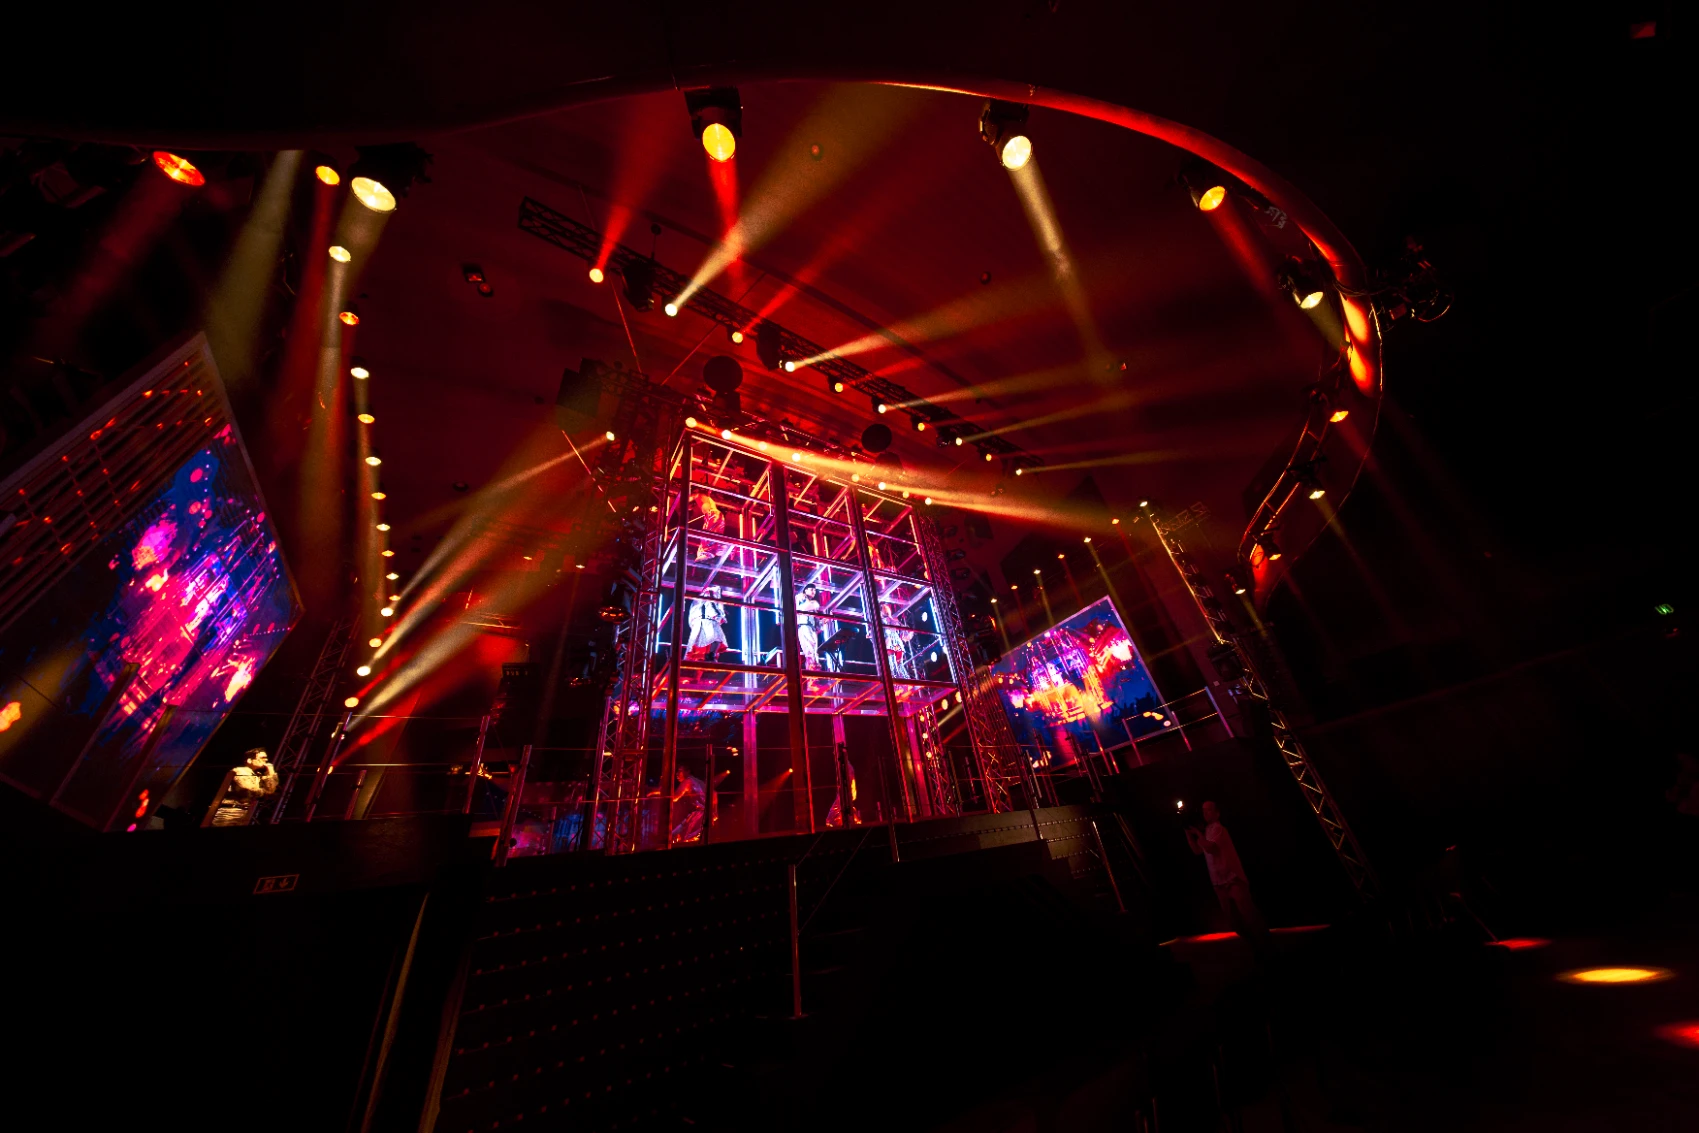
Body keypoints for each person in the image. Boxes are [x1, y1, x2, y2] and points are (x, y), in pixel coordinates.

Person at [1185, 800, 1265, 938]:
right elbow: (1197, 850)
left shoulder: (1219, 828)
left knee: (1249, 915)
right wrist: (1188, 833)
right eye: (1203, 810)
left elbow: (1210, 848)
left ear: (1217, 813)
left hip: (1232, 879)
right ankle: (1254, 944)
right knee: (1234, 921)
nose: (1205, 813)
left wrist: (1198, 834)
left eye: (1209, 810)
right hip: (1218, 882)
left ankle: (1265, 942)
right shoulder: (1207, 831)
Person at [209, 747, 278, 826]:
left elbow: (271, 790)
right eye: (262, 758)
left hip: (245, 813)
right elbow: (249, 790)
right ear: (249, 760)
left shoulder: (258, 775)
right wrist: (265, 792)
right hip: (230, 812)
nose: (266, 760)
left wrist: (271, 772)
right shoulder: (240, 771)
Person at [685, 585, 727, 661]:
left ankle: (709, 656)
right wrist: (720, 616)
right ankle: (710, 656)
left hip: (702, 622)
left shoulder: (701, 597)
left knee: (706, 642)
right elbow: (713, 606)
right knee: (716, 639)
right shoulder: (710, 594)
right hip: (707, 621)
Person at [671, 764, 706, 843]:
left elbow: (675, 798)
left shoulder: (688, 781)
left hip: (699, 815)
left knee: (683, 838)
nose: (677, 774)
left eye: (680, 771)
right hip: (700, 814)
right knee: (676, 834)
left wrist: (658, 792)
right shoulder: (698, 781)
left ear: (688, 771)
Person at [797, 582, 825, 669]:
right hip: (804, 625)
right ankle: (812, 666)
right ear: (806, 590)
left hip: (811, 628)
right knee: (809, 648)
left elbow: (817, 623)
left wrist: (822, 622)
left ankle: (814, 666)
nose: (814, 592)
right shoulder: (801, 598)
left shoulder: (812, 605)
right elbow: (803, 607)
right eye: (812, 589)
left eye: (815, 590)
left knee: (813, 649)